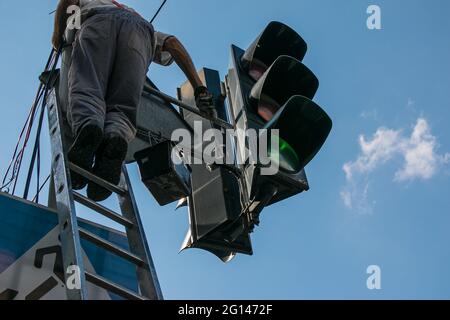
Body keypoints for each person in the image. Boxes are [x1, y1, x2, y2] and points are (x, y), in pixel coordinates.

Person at [52, 0, 214, 201]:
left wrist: (57, 38)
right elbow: (173, 43)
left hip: (97, 22)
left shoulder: (89, 6)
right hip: (140, 35)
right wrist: (199, 88)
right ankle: (116, 136)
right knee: (123, 106)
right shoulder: (133, 17)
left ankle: (89, 125)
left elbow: (68, 1)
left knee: (87, 86)